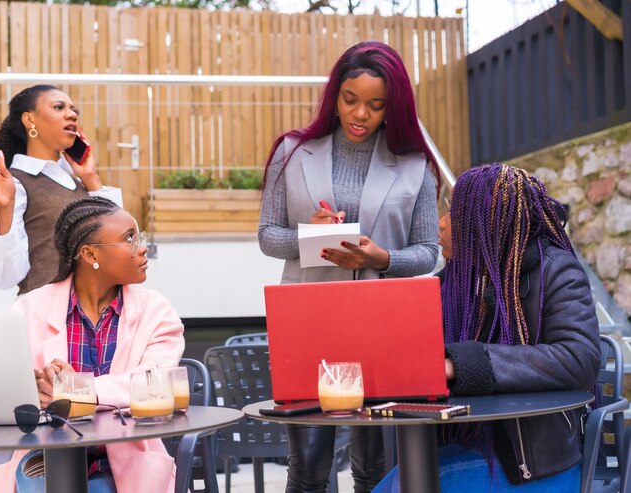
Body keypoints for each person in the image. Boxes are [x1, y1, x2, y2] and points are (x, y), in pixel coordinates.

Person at [258, 41, 440, 493]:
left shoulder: (416, 165)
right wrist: (310, 234)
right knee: (307, 469)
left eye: (376, 106)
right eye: (350, 100)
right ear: (333, 97)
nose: (361, 114)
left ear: (392, 108)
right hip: (308, 320)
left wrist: (382, 258)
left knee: (376, 469)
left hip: (382, 326)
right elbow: (267, 236)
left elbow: (430, 251)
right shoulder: (293, 152)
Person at [373, 163, 601, 492]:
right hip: (469, 449)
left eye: (453, 212)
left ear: (484, 222)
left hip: (534, 466)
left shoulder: (557, 272)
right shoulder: (458, 281)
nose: (441, 222)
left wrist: (463, 363)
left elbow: (578, 358)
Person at [0, 196, 184, 493]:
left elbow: (153, 385)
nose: (143, 247)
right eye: (129, 239)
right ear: (89, 253)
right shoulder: (27, 310)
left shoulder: (156, 311)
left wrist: (77, 390)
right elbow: (7, 390)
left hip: (127, 456)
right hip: (48, 456)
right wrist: (37, 387)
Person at [0, 85, 122, 295]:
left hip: (100, 311)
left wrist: (91, 178)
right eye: (59, 107)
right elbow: (4, 277)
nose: (72, 115)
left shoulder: (78, 181)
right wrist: (5, 207)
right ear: (29, 120)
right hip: (49, 317)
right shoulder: (12, 184)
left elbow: (119, 240)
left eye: (74, 111)